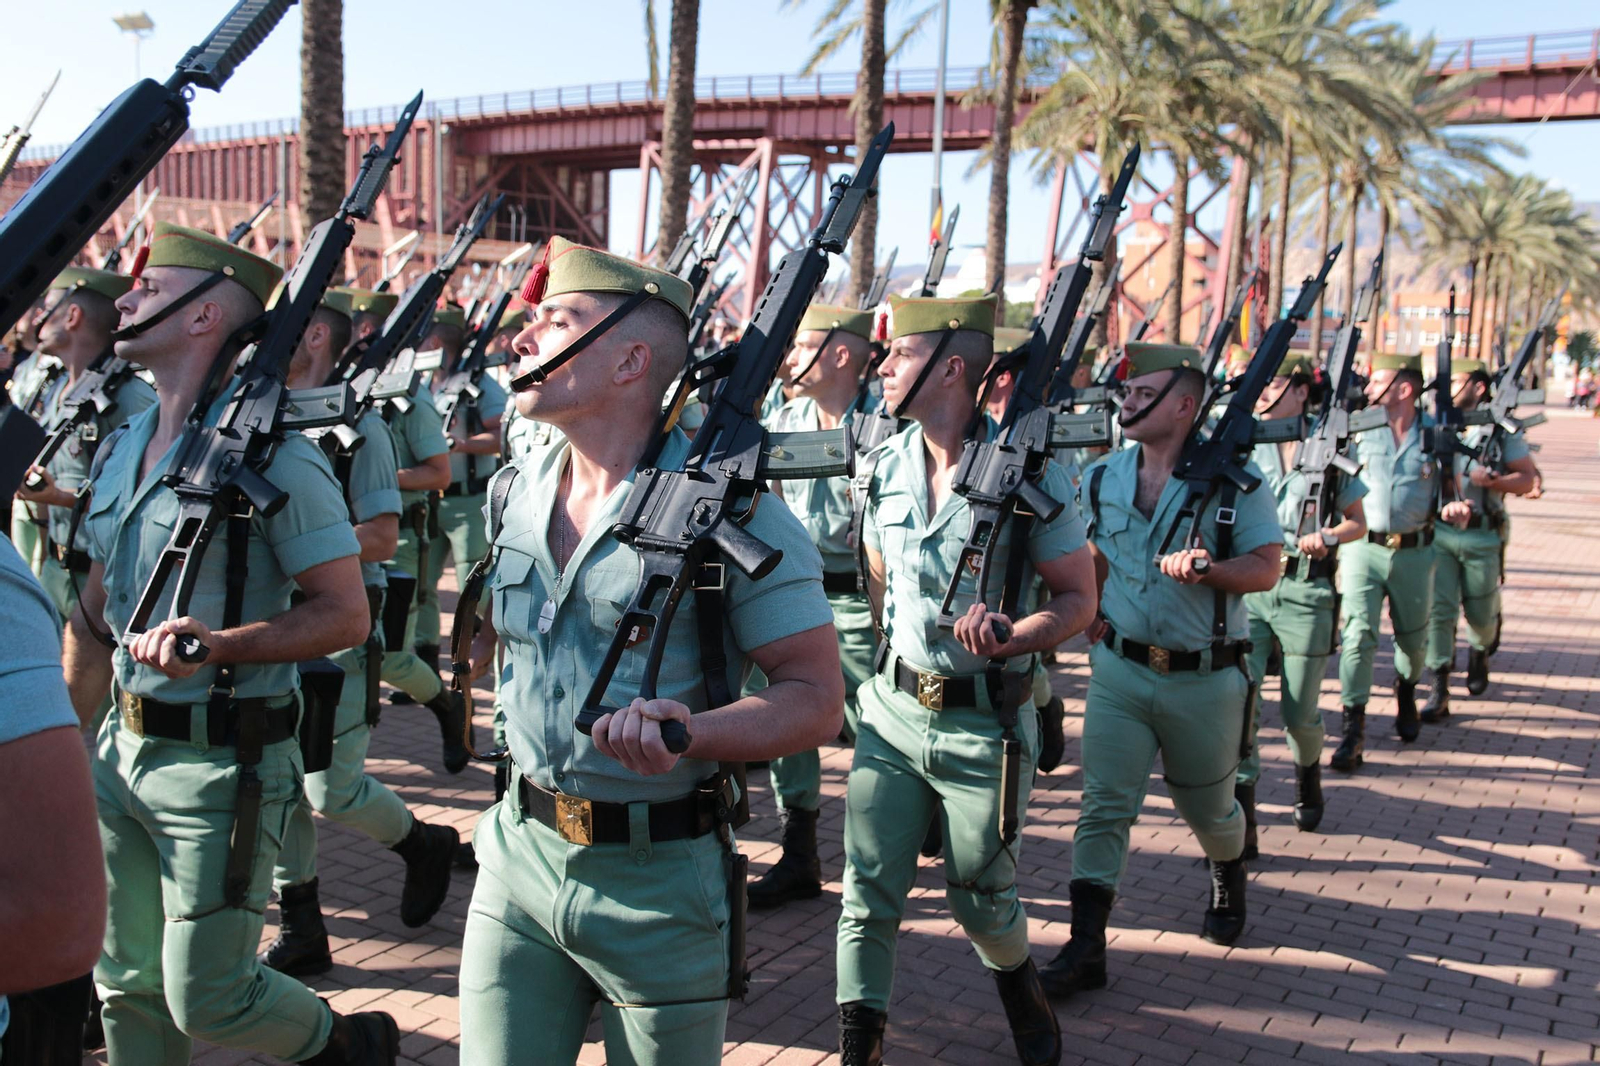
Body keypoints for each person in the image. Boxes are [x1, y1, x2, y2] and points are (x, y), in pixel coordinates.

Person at [456, 237, 843, 1065]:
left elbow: (815, 695)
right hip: (517, 856)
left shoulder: (733, 515)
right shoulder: (515, 487)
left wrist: (691, 732)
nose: (521, 341)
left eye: (553, 321)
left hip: (660, 884)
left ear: (632, 360)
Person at [60, 222, 399, 1064]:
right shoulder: (124, 446)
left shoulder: (278, 456)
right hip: (120, 750)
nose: (126, 297)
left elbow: (344, 613)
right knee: (126, 985)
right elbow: (96, 618)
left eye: (150, 285)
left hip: (226, 764)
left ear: (207, 314)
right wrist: (66, 750)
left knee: (208, 994)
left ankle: (343, 1047)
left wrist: (219, 644)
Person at [839, 294, 1096, 1066]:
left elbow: (1080, 598)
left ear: (951, 368)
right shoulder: (882, 463)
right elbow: (880, 583)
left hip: (984, 722)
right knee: (865, 893)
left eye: (900, 356)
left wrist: (1014, 637)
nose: (880, 367)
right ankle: (861, 1048)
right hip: (891, 714)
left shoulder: (1027, 477)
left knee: (981, 899)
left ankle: (1021, 990)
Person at [1039, 342, 1281, 1002]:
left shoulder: (1236, 480)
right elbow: (1096, 552)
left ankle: (1227, 865)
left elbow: (1267, 566)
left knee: (1207, 807)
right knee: (1104, 806)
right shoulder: (1102, 476)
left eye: (1143, 393)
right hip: (1120, 671)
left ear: (1183, 404)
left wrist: (1210, 569)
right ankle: (1086, 946)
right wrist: (1089, 609)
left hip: (1204, 677)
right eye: (1125, 391)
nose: (1128, 401)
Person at [260, 290, 460, 979]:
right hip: (276, 624)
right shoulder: (260, 420)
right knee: (279, 780)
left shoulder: (360, 427)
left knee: (329, 792)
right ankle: (303, 921)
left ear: (314, 335)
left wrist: (292, 549)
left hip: (339, 633)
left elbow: (379, 537)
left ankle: (423, 843)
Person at [747, 302, 880, 910]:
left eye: (802, 347)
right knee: (789, 722)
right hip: (794, 598)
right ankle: (798, 851)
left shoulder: (887, 425)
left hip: (861, 601)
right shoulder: (785, 417)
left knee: (880, 730)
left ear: (841, 354)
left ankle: (883, 849)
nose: (793, 359)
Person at [1235, 353, 1367, 853]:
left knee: (1298, 709)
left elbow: (1359, 521)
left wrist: (1329, 537)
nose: (1263, 390)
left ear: (1298, 388)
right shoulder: (1244, 439)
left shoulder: (1330, 444)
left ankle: (1307, 769)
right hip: (1250, 586)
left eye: (1272, 382)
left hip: (1306, 589)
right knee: (1243, 701)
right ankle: (1243, 815)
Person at [0, 536, 107, 1063]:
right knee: (132, 985)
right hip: (120, 738)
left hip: (216, 737)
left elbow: (57, 922)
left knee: (205, 997)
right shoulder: (120, 456)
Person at [15, 268, 156, 620]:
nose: (37, 319)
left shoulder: (128, 397)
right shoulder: (57, 388)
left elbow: (145, 496)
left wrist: (57, 496)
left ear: (73, 315)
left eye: (48, 308)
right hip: (54, 565)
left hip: (100, 581)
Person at [1331, 352, 1439, 771]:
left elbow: (1455, 485)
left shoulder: (1435, 435)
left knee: (1413, 640)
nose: (1369, 388)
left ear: (1405, 389)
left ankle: (1407, 689)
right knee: (1357, 635)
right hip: (1363, 548)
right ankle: (1352, 730)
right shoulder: (1359, 431)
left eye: (1378, 382)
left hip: (1415, 551)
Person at [1420, 358, 1537, 720]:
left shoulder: (1500, 429)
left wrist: (1496, 482)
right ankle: (1438, 686)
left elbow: (1528, 480)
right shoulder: (1434, 423)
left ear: (1478, 386)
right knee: (1439, 612)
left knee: (1481, 611)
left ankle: (1480, 647)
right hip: (1440, 534)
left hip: (1483, 535)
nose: (1445, 389)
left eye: (1454, 381)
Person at [416, 306, 505, 700]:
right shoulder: (424, 386)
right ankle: (420, 672)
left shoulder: (481, 386)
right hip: (432, 501)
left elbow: (502, 435)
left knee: (473, 589)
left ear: (435, 342)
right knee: (423, 585)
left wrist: (463, 444)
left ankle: (468, 666)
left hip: (469, 502)